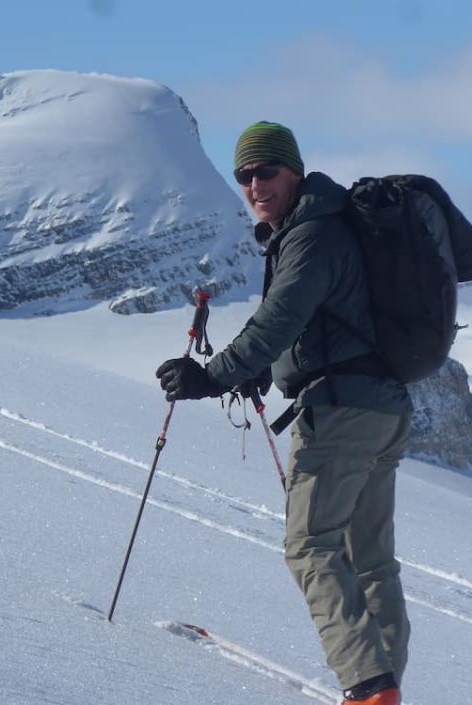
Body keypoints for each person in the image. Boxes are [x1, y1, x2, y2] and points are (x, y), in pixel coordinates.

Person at [155, 121, 412, 705]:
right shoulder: (330, 227)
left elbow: (279, 318)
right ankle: (382, 685)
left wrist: (210, 375)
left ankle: (369, 689)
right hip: (384, 409)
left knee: (311, 547)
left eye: (265, 171)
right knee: (369, 559)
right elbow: (321, 323)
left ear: (294, 170)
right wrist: (259, 371)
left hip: (342, 413)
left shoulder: (313, 235)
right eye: (244, 175)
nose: (254, 184)